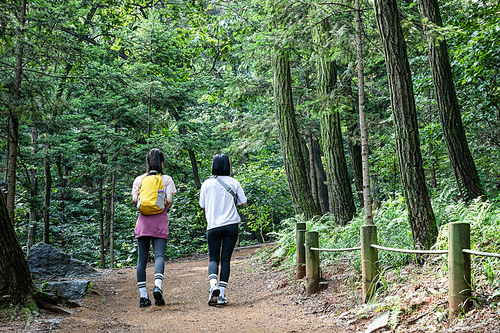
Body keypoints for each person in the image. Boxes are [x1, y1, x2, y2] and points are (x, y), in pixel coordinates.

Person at [199, 153, 247, 306]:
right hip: (231, 225)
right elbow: (243, 202)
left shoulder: (207, 183)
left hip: (213, 226)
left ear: (214, 166)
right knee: (225, 259)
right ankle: (222, 295)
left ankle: (213, 286)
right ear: (228, 166)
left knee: (213, 259)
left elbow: (203, 205)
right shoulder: (234, 182)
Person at [131, 148, 176, 308]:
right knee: (159, 256)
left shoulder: (140, 179)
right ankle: (157, 286)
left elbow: (135, 201)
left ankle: (143, 297)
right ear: (162, 163)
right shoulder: (166, 179)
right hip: (160, 221)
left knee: (141, 260)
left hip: (143, 222)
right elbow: (168, 200)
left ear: (147, 163)